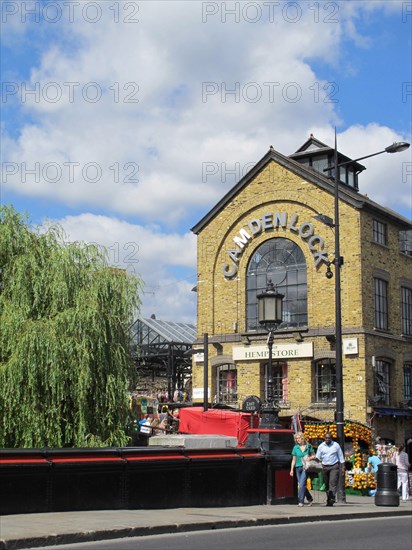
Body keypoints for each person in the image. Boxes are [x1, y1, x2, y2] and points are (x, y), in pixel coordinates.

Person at [316, 432, 345, 506]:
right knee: (327, 484)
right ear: (324, 438)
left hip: (334, 466)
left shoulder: (336, 445)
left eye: (329, 438)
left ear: (331, 438)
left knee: (332, 482)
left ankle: (332, 498)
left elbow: (341, 457)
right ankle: (329, 499)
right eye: (326, 438)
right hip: (324, 466)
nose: (327, 439)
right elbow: (317, 458)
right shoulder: (321, 446)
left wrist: (342, 467)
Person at [290, 432, 315, 507]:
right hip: (298, 467)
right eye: (297, 438)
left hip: (306, 467)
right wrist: (291, 470)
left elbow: (314, 455)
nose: (298, 440)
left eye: (299, 438)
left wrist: (310, 458)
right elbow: (293, 459)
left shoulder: (308, 446)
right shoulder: (295, 447)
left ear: (302, 438)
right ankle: (310, 498)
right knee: (302, 485)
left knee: (301, 485)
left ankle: (301, 501)